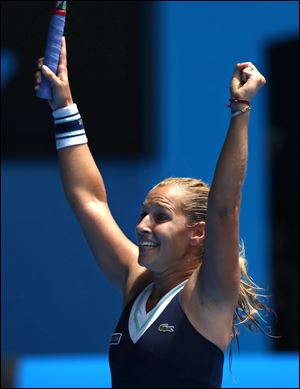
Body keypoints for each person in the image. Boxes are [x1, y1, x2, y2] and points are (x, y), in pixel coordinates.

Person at [35, 36, 272, 388]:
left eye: (160, 217)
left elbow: (224, 210)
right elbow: (90, 202)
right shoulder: (138, 283)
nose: (142, 226)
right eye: (144, 213)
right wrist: (63, 107)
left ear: (198, 232)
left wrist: (240, 110)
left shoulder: (209, 293)